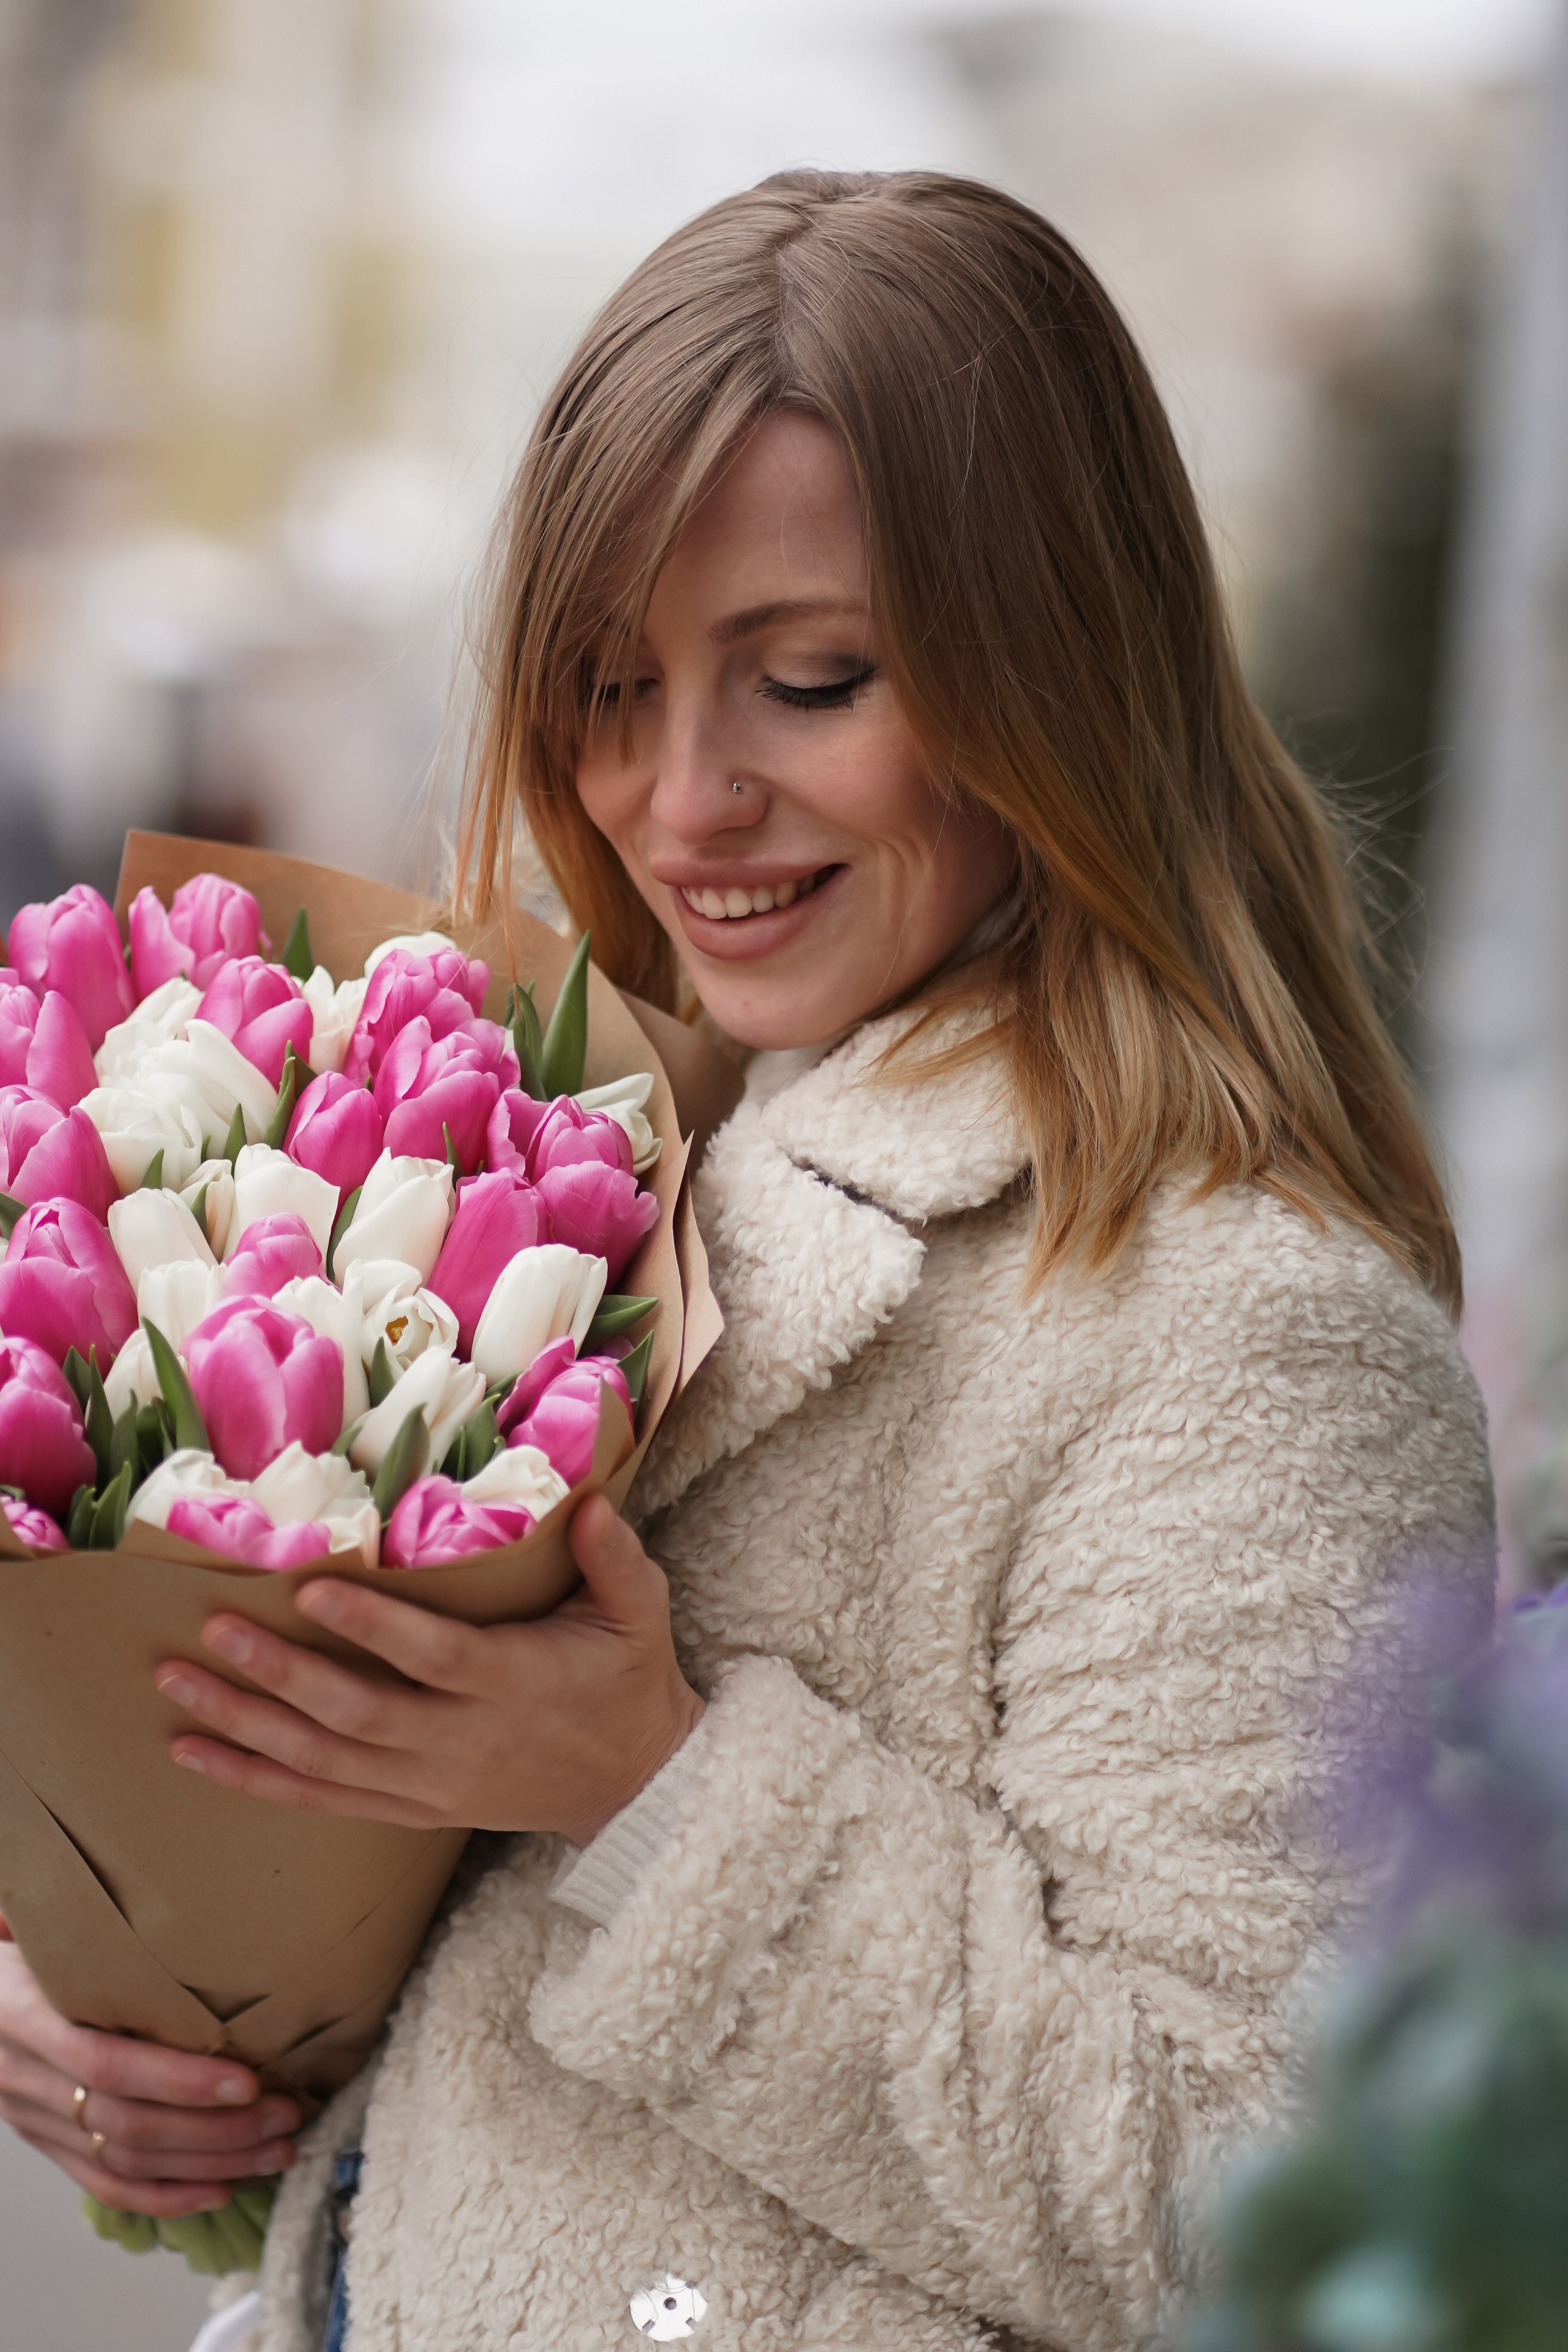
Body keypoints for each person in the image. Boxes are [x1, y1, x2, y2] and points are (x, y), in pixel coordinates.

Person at [0, 171, 1493, 2351]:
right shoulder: (577, 1183)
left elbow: (1249, 2214)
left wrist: (657, 1790)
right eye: (607, 687)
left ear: (1059, 667)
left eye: (808, 680)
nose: (677, 797)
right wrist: (143, 2035)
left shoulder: (1249, 1332)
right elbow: (507, 2034)